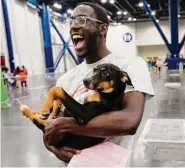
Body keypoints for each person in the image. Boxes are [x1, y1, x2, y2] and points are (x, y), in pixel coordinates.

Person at [42, 2, 154, 164]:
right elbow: (50, 126)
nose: (73, 26)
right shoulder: (65, 79)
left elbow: (129, 120)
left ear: (103, 29)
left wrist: (67, 125)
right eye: (71, 21)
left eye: (81, 19)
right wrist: (54, 147)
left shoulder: (128, 66)